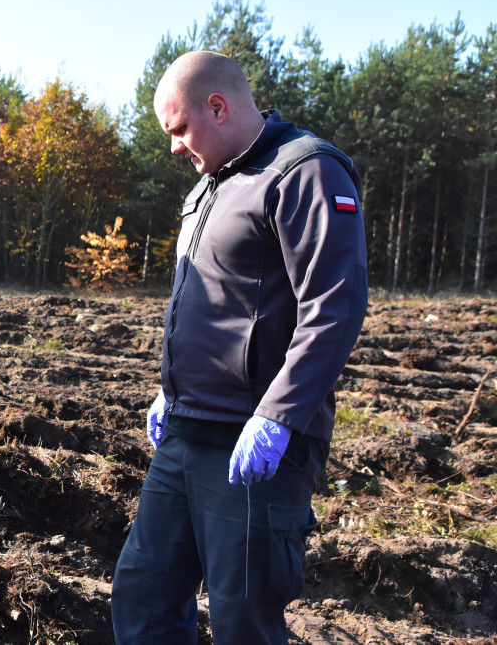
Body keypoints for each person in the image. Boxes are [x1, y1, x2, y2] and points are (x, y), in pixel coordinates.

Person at [111, 51, 368, 644]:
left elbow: (334, 308)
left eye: (178, 130)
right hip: (184, 433)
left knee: (242, 619)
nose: (174, 148)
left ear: (218, 106)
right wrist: (166, 389)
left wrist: (278, 417)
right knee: (143, 594)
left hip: (253, 448)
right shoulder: (210, 188)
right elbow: (212, 302)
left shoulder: (304, 170)